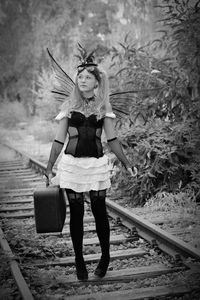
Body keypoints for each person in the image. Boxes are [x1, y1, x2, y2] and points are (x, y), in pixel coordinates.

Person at [45, 47, 136, 281]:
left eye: (88, 77)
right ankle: (79, 261)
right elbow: (58, 139)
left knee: (99, 213)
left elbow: (112, 139)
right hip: (72, 166)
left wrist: (126, 162)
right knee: (76, 215)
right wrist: (49, 166)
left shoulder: (104, 107)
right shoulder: (69, 106)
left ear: (97, 83)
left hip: (96, 165)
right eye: (80, 77)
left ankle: (105, 257)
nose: (82, 80)